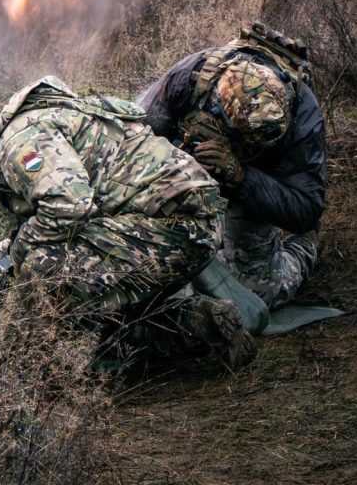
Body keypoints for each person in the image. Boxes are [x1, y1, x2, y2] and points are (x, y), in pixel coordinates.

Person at [0, 75, 257, 370]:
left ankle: (26, 373)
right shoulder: (30, 127)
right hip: (165, 223)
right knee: (80, 294)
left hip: (176, 226)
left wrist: (18, 256)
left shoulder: (18, 143)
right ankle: (199, 324)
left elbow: (68, 207)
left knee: (45, 270)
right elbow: (53, 218)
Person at [139, 21, 325, 310]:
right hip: (181, 176)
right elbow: (137, 142)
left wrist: (240, 176)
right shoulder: (190, 76)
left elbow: (306, 210)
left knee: (256, 294)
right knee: (150, 274)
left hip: (249, 190)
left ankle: (304, 249)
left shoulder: (305, 116)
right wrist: (180, 163)